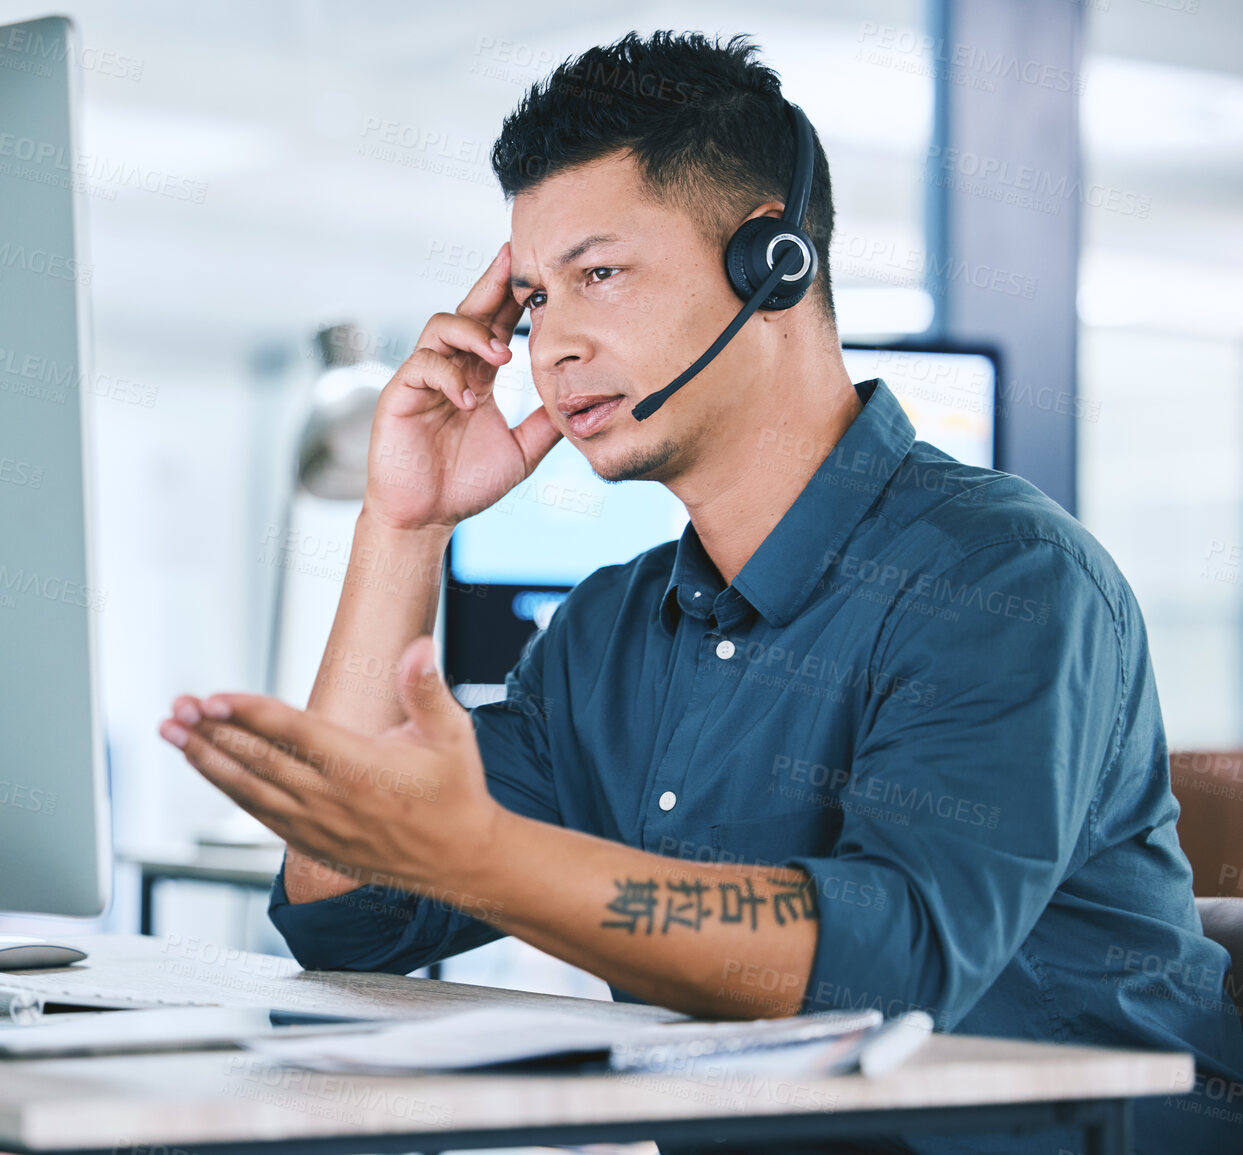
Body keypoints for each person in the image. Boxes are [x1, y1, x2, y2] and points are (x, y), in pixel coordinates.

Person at [158, 31, 1243, 1153]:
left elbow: (894, 962)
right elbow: (351, 918)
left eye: (600, 275)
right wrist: (407, 522)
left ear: (772, 263)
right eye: (534, 300)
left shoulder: (1005, 578)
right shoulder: (610, 635)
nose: (551, 347)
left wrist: (492, 856)